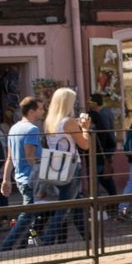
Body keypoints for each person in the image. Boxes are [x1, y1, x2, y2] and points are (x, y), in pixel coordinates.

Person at [38, 88, 91, 246]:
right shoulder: (69, 122)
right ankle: (48, 241)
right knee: (65, 207)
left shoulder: (49, 121)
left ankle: (85, 239)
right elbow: (85, 144)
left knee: (73, 205)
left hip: (55, 163)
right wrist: (85, 128)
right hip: (70, 165)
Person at [0, 96, 45, 250]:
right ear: (31, 111)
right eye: (40, 109)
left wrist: (6, 179)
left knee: (36, 214)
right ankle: (6, 247)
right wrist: (44, 173)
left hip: (19, 177)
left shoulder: (14, 127)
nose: (43, 112)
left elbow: (10, 157)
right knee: (27, 215)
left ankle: (25, 244)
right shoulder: (32, 129)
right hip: (31, 178)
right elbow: (30, 156)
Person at [87, 92, 116, 199]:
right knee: (104, 177)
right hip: (105, 148)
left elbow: (105, 134)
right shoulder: (102, 112)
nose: (88, 104)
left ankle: (107, 200)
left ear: (95, 103)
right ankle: (113, 198)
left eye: (90, 102)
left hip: (104, 148)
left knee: (101, 176)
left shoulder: (103, 114)